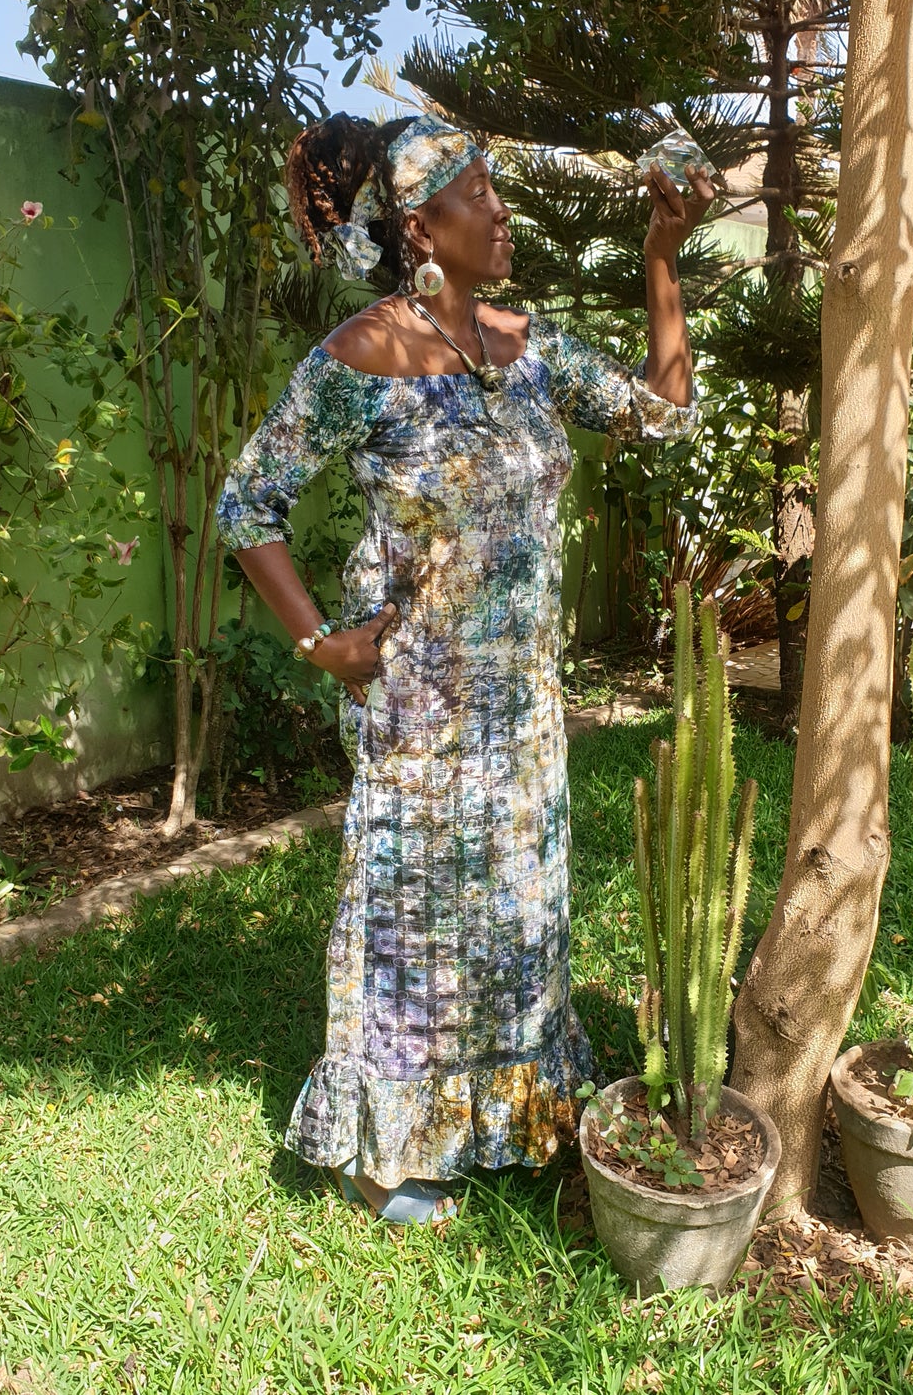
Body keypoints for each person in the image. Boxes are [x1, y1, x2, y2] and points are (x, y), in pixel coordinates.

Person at [216, 112, 713, 1223]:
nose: (500, 209)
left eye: (495, 189)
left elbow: (661, 415)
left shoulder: (525, 346)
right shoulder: (357, 358)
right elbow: (247, 501)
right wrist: (318, 639)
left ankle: (516, 1116)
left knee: (513, 913)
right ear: (419, 225)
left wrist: (661, 260)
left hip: (522, 706)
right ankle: (386, 1150)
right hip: (418, 709)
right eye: (476, 193)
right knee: (408, 927)